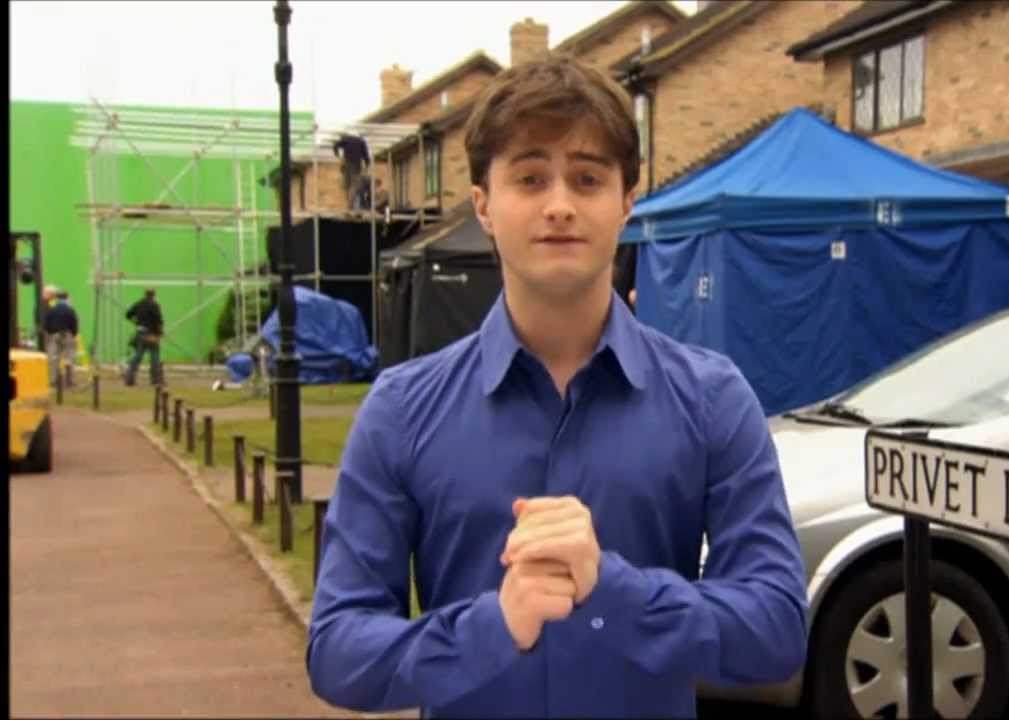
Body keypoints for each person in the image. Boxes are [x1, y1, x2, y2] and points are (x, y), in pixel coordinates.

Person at [306, 55, 808, 719]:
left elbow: (776, 628)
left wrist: (614, 593)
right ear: (483, 205)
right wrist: (491, 630)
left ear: (626, 202)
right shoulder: (402, 410)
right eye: (530, 178)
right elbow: (338, 648)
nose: (561, 205)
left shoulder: (713, 399)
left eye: (588, 178)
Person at [124, 289, 164, 387]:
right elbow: (158, 320)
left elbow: (128, 314)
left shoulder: (139, 304)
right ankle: (155, 380)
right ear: (153, 295)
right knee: (154, 357)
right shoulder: (155, 305)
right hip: (152, 334)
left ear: (145, 294)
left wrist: (136, 322)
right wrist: (159, 333)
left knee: (137, 356)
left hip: (141, 333)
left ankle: (129, 378)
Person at [42, 289, 79, 385]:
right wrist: (74, 334)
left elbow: (46, 324)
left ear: (57, 299)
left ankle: (53, 380)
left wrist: (50, 333)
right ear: (67, 298)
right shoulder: (70, 310)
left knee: (54, 359)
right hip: (67, 335)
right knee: (69, 358)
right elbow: (74, 323)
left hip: (54, 335)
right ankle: (69, 380)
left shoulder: (52, 310)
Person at [333, 133, 371, 210]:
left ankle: (349, 205)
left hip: (346, 164)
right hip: (356, 165)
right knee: (354, 185)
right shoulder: (361, 141)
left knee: (347, 185)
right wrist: (367, 166)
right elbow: (366, 156)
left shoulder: (346, 139)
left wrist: (338, 156)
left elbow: (335, 145)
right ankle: (350, 206)